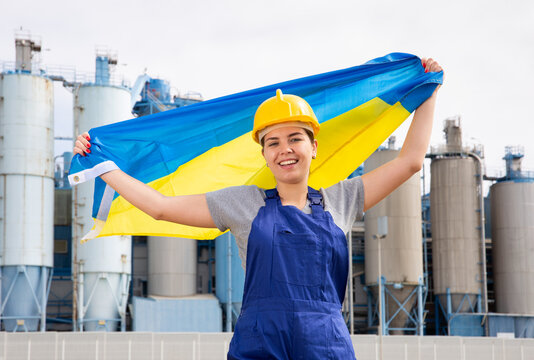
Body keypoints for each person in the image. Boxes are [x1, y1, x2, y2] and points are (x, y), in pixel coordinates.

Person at [74, 58, 442, 359]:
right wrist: (103, 166)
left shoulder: (341, 200)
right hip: (259, 344)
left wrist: (429, 90)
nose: (285, 149)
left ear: (314, 146)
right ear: (264, 154)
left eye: (295, 138)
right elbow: (160, 207)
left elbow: (410, 161)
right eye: (273, 143)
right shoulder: (242, 203)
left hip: (326, 345)